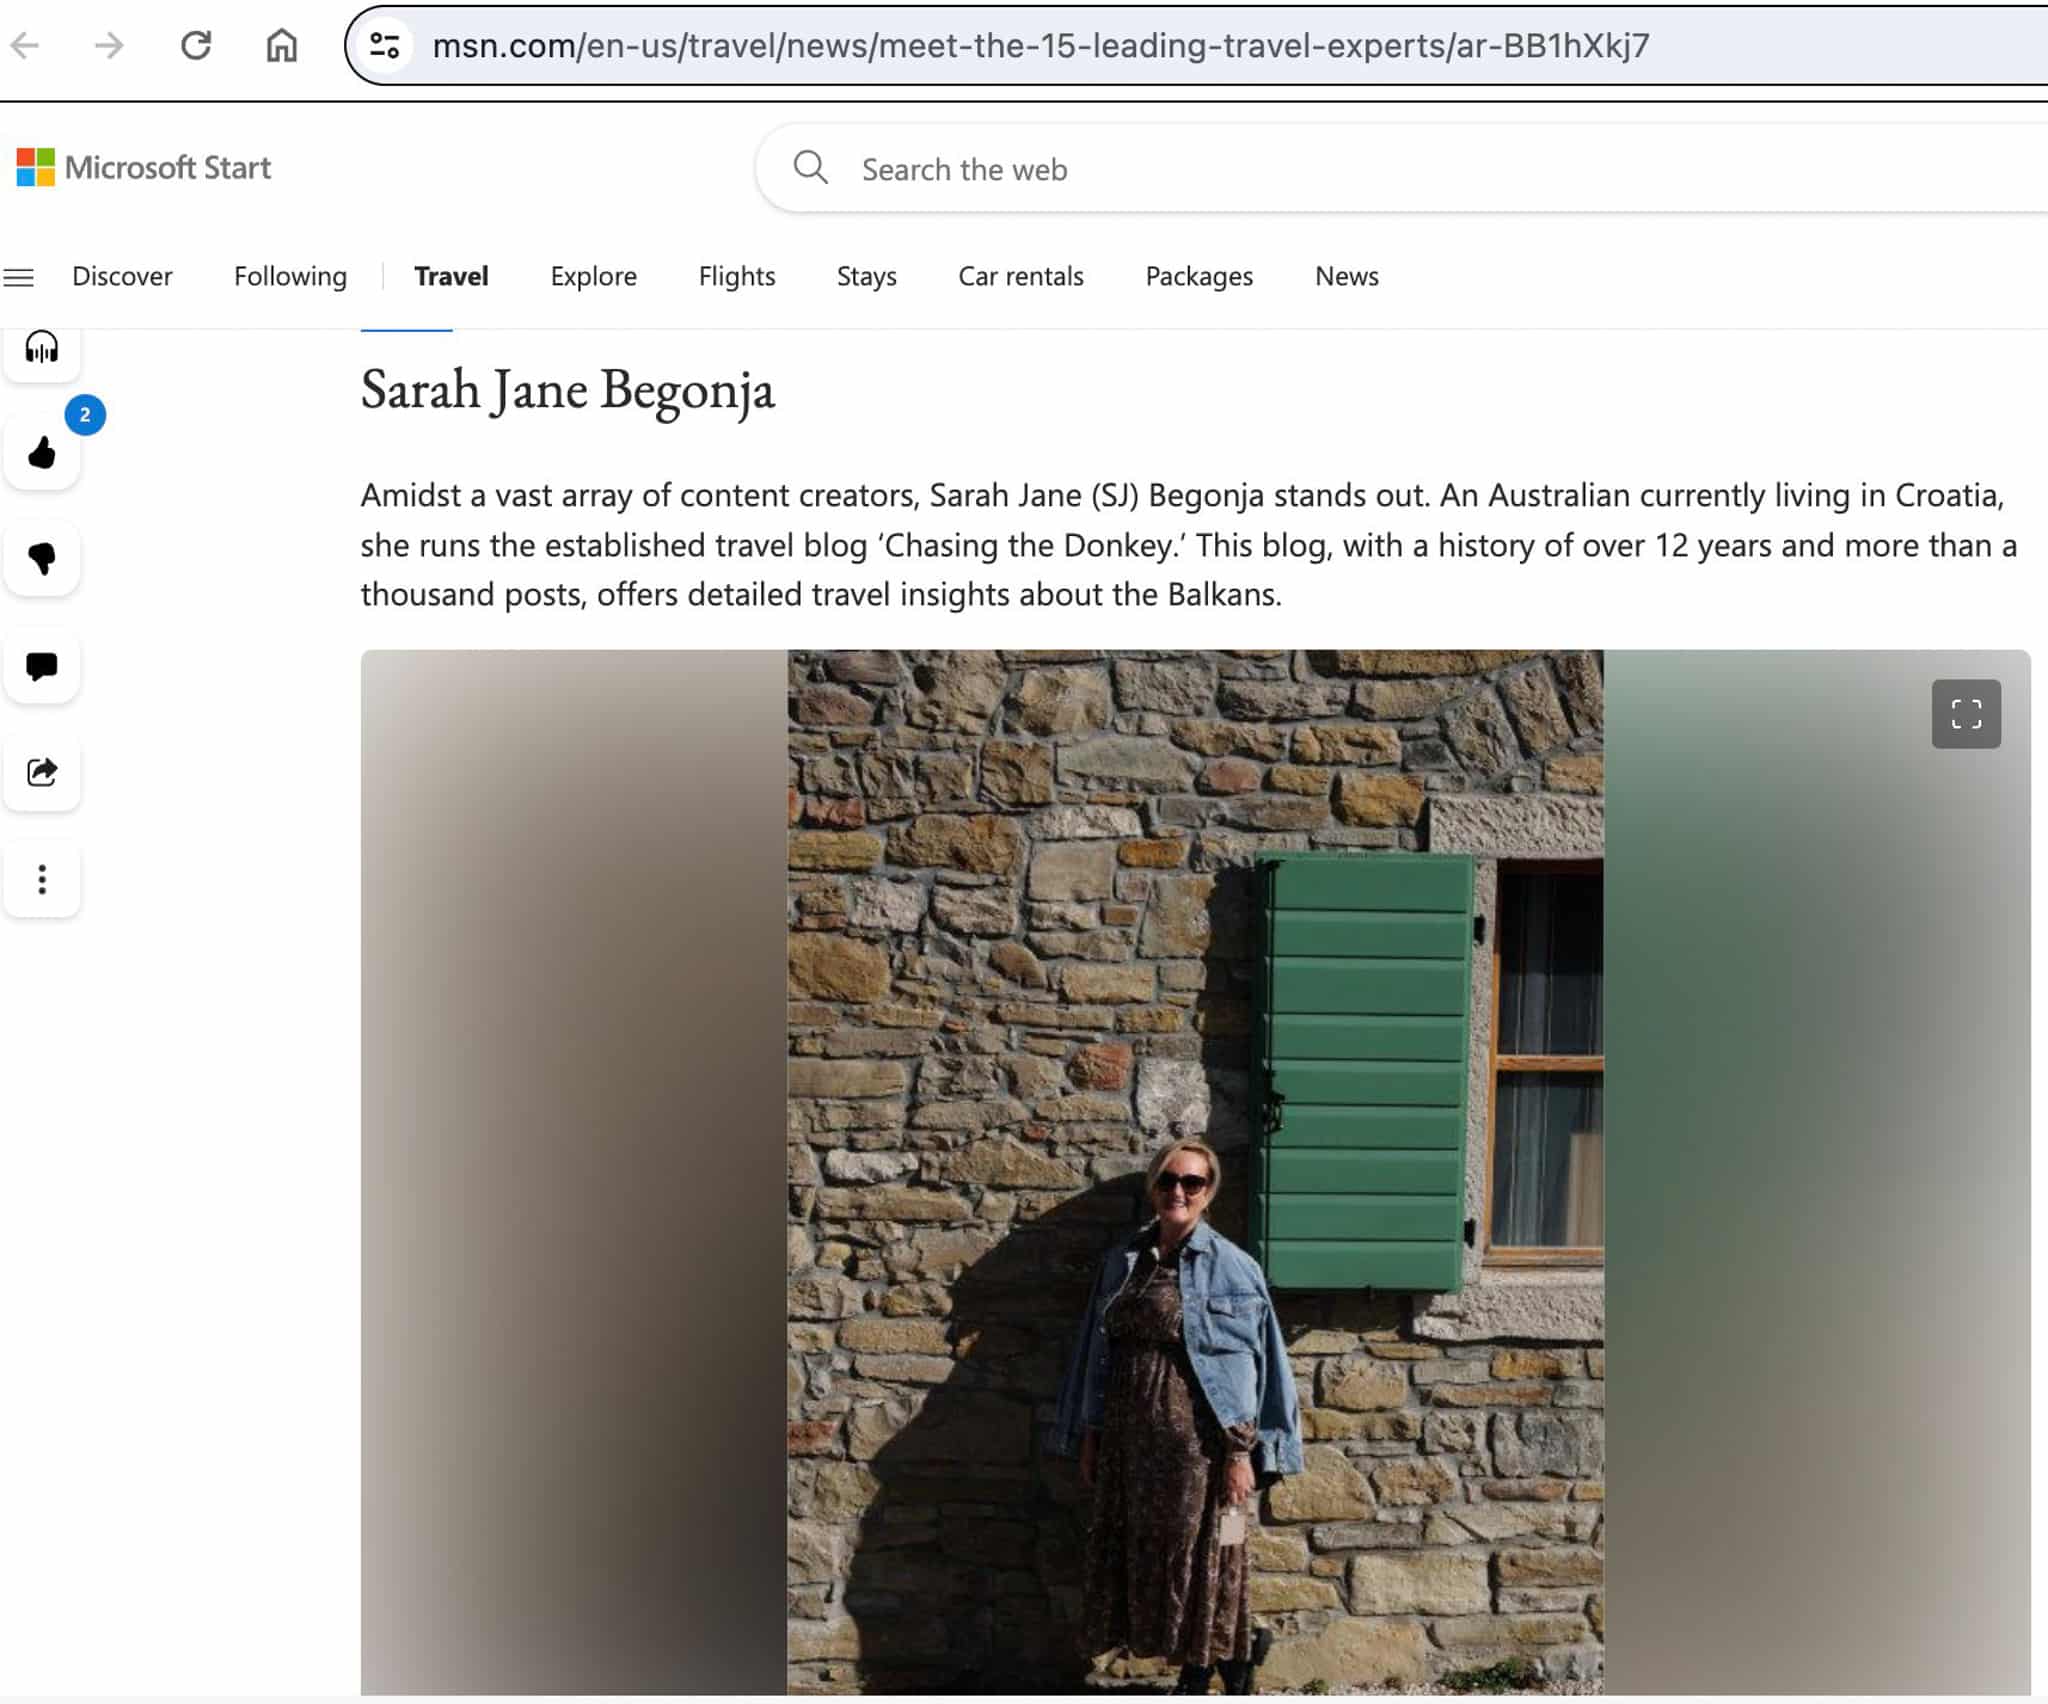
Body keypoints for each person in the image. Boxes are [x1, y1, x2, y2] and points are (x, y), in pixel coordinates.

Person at [1050, 1139, 1305, 1695]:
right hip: (1131, 1443)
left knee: (1224, 1546)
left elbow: (1249, 1368)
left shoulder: (1234, 1268)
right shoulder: (1125, 1260)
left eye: (1193, 1183)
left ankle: (1221, 1663)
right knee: (1153, 1553)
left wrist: (1243, 1453)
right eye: (1169, 1180)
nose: (1179, 1192)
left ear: (1209, 1193)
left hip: (1204, 1446)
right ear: (1153, 1187)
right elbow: (1097, 1353)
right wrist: (1091, 1433)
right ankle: (1216, 1657)